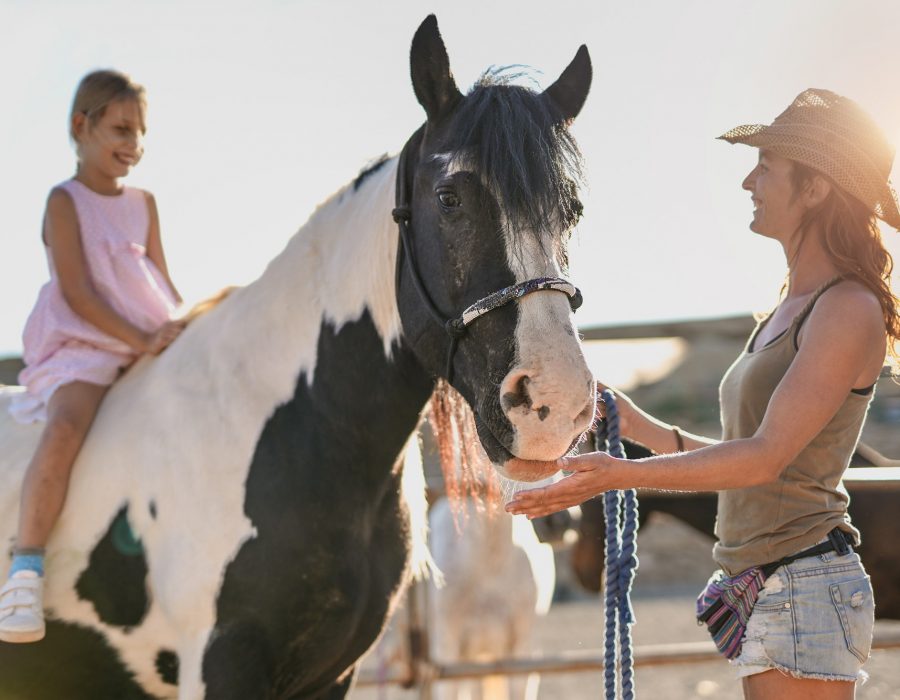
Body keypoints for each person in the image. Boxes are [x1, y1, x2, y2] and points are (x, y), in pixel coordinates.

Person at [506, 88, 899, 699]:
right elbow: (745, 458)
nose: (749, 181)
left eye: (767, 166)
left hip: (802, 585)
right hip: (771, 586)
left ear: (816, 188)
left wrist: (617, 476)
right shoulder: (788, 310)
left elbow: (764, 458)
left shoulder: (846, 308)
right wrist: (636, 426)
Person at [0, 70, 185, 643]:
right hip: (87, 345)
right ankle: (24, 569)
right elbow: (78, 293)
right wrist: (138, 341)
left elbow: (161, 281)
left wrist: (180, 329)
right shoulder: (65, 200)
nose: (134, 143)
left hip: (146, 338)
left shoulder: (145, 204)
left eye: (141, 132)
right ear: (82, 126)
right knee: (67, 427)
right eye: (121, 129)